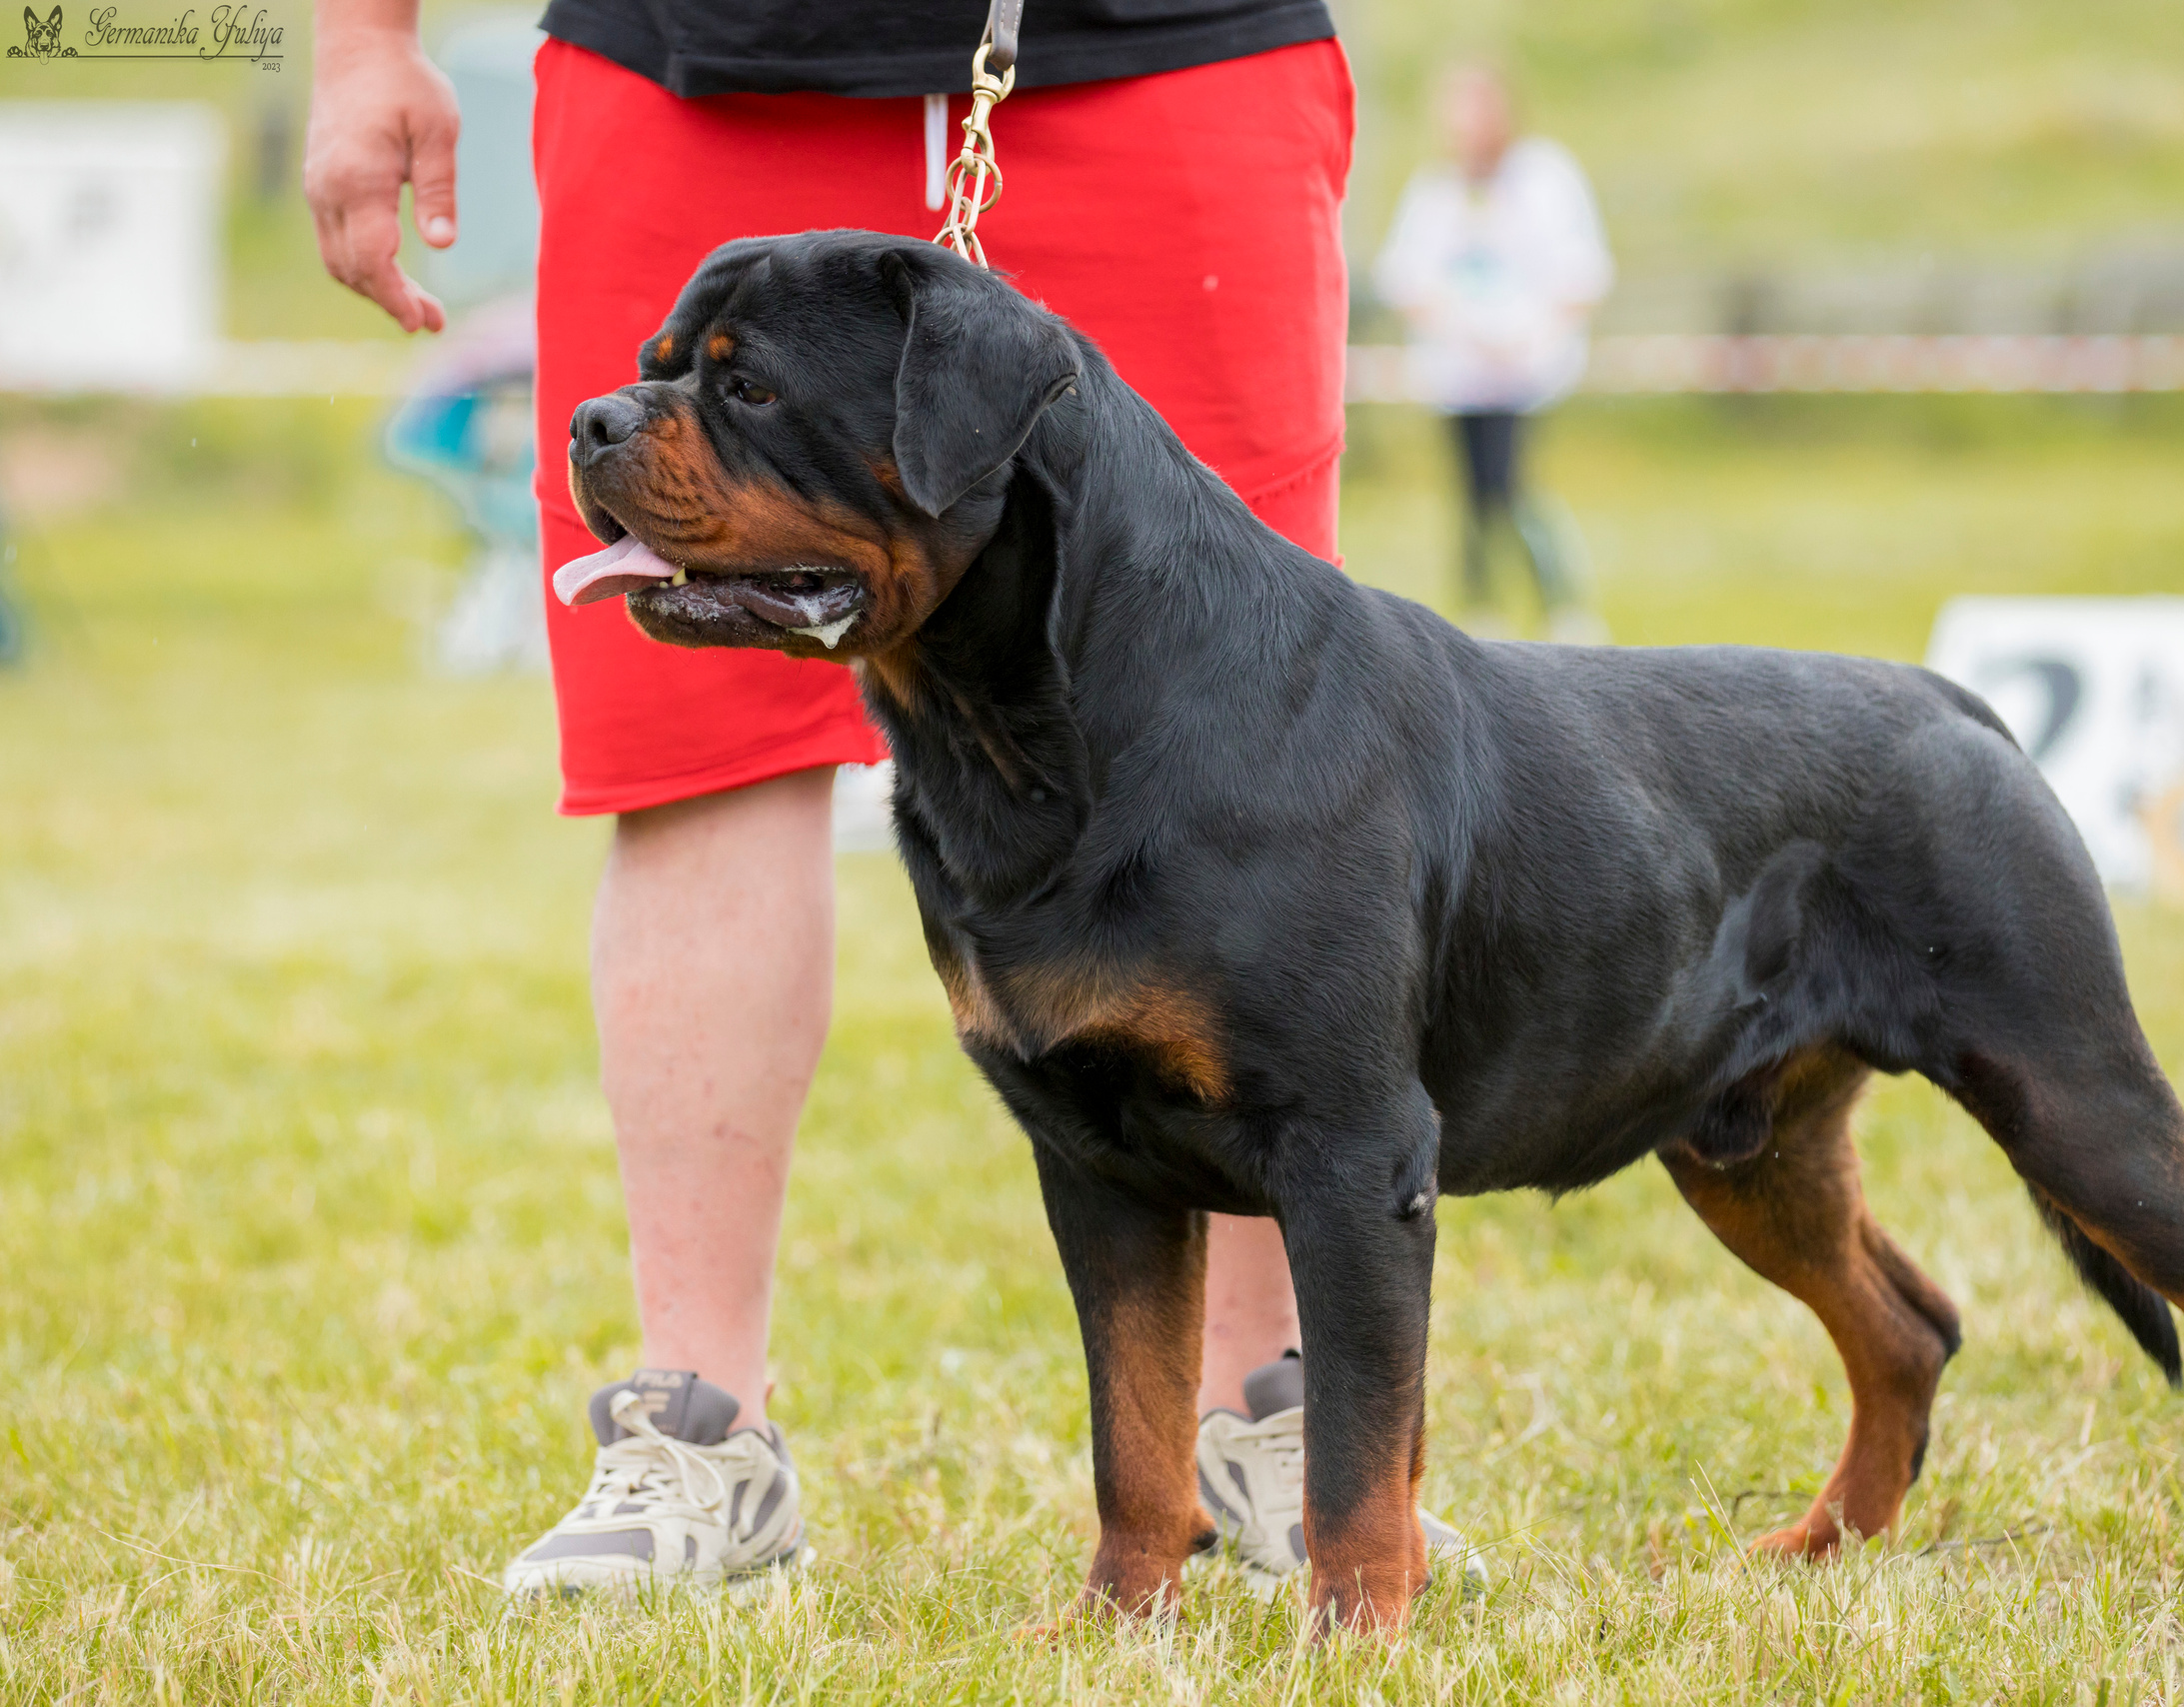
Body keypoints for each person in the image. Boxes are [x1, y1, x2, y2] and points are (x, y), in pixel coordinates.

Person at [307, 0, 1468, 1599]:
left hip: (1163, 51)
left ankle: (1285, 1421)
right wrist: (363, 42)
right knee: (691, 741)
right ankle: (697, 1432)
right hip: (694, 56)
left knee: (1255, 737)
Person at [1375, 63, 1613, 644]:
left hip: (1526, 368)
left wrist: (1531, 333)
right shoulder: (1437, 191)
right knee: (1472, 492)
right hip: (1458, 372)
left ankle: (1563, 605)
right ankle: (1482, 608)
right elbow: (1405, 276)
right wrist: (1458, 326)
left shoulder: (1544, 179)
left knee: (1514, 487)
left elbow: (1580, 270)